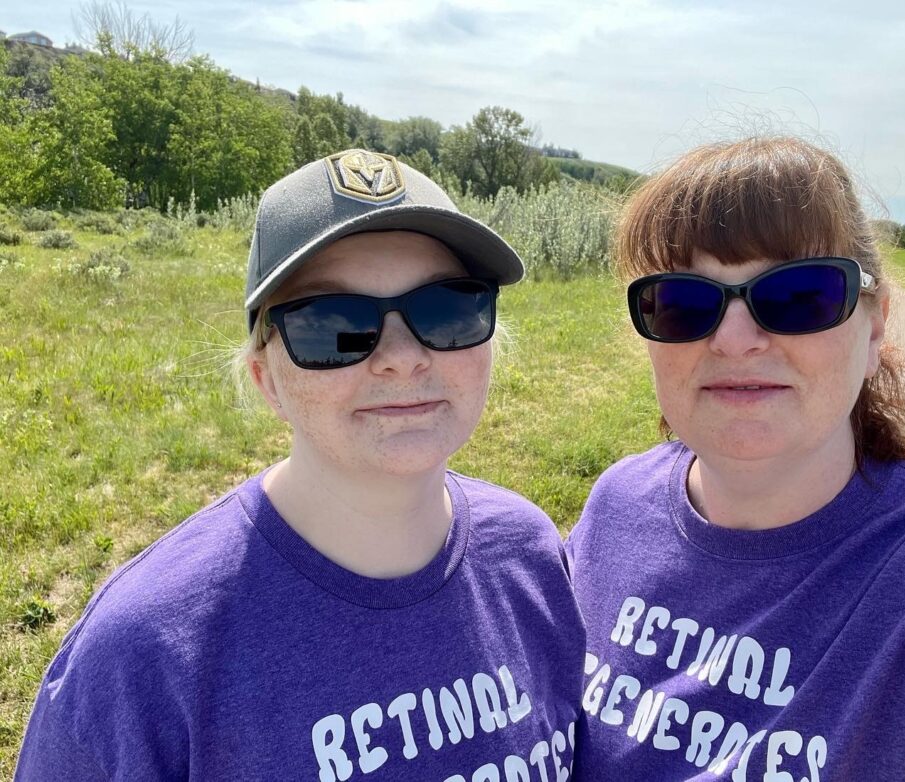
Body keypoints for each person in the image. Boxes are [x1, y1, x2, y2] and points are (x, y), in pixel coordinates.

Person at [16, 149, 584, 781]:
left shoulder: (530, 553)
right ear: (267, 379)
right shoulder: (143, 655)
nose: (402, 356)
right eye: (333, 325)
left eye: (446, 309)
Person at [566, 137, 905, 781]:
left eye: (799, 295)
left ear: (875, 327)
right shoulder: (615, 503)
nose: (732, 339)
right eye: (683, 303)